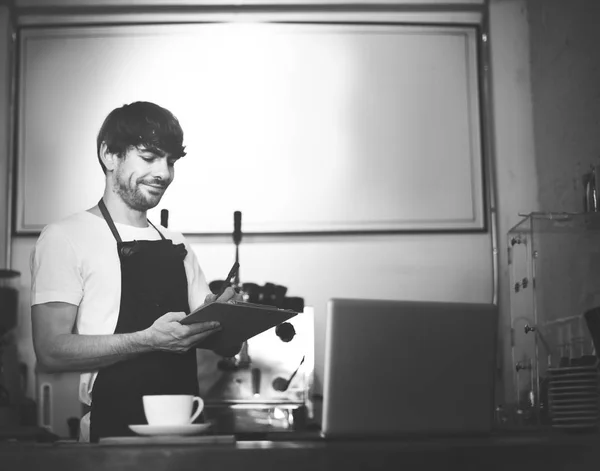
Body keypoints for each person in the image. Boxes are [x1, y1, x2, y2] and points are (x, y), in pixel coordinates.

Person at [30, 101, 241, 442]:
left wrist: (229, 317)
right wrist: (146, 340)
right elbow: (50, 351)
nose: (164, 173)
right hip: (112, 434)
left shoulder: (176, 243)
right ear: (109, 155)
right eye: (149, 157)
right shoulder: (64, 237)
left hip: (184, 432)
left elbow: (218, 342)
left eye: (170, 161)